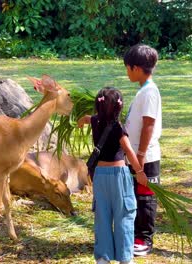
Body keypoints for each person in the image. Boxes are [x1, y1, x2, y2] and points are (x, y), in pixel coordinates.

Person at [78, 87, 147, 264]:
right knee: (123, 215)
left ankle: (103, 257)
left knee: (102, 216)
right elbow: (129, 151)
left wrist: (81, 120)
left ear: (97, 106)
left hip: (100, 176)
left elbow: (86, 118)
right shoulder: (118, 127)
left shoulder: (94, 121)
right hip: (119, 176)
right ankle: (125, 258)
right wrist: (139, 172)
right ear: (119, 108)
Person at [122, 44, 161, 256]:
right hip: (135, 155)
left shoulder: (149, 93)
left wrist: (141, 155)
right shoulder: (143, 91)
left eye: (127, 68)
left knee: (146, 197)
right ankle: (134, 234)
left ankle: (144, 238)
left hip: (146, 156)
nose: (127, 72)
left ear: (136, 68)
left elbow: (148, 124)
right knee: (135, 196)